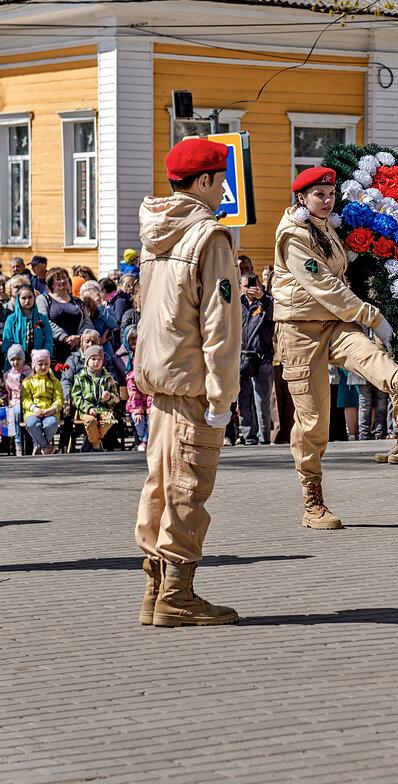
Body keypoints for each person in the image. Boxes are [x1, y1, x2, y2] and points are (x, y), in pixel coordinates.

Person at [272, 166, 398, 528]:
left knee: (370, 355)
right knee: (313, 423)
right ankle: (312, 500)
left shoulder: (327, 228)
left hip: (334, 322)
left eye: (331, 194)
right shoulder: (293, 235)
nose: (327, 200)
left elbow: (343, 274)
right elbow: (326, 287)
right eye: (319, 195)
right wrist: (373, 316)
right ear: (301, 198)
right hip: (299, 330)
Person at [134, 137, 242, 627]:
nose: (222, 191)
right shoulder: (209, 238)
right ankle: (176, 596)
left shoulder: (156, 231)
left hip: (160, 381)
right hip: (194, 384)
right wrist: (223, 394)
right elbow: (220, 325)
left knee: (160, 484)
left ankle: (155, 589)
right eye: (219, 181)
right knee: (187, 488)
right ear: (202, 182)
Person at [237, 270, 274, 446]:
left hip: (262, 358)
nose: (249, 290)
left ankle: (264, 438)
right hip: (242, 357)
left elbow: (275, 315)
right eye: (246, 286)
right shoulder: (238, 303)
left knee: (262, 401)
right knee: (243, 398)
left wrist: (263, 297)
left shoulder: (267, 301)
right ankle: (248, 437)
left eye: (253, 285)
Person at [37, 268, 92, 365]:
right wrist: (64, 337)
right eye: (58, 279)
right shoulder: (43, 299)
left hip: (76, 350)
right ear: (50, 283)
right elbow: (44, 321)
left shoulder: (78, 302)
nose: (62, 281)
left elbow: (87, 322)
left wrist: (79, 337)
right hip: (53, 350)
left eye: (64, 278)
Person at [72, 343, 119, 452]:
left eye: (99, 359)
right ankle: (97, 446)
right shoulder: (81, 377)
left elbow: (116, 398)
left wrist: (109, 398)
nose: (96, 362)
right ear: (87, 360)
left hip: (104, 409)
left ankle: (91, 441)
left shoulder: (107, 377)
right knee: (90, 421)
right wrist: (87, 408)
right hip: (87, 410)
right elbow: (76, 397)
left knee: (109, 420)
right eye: (93, 359)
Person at [22, 348, 62, 454]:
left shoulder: (54, 381)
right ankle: (46, 447)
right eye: (40, 364)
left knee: (51, 424)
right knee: (32, 424)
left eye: (46, 364)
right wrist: (33, 408)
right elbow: (25, 399)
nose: (44, 367)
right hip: (33, 412)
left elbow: (59, 398)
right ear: (34, 365)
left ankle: (39, 446)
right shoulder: (27, 382)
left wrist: (53, 409)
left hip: (49, 411)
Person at [3, 284, 53, 368]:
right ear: (18, 299)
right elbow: (7, 342)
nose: (27, 301)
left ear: (34, 297)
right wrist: (16, 358)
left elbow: (48, 340)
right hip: (16, 365)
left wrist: (41, 357)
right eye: (23, 298)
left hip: (38, 364)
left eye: (30, 297)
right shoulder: (11, 319)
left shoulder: (42, 319)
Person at [122, 325, 152, 451]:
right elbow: (132, 390)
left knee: (153, 419)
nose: (135, 342)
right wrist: (138, 409)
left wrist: (150, 407)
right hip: (136, 402)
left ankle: (145, 442)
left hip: (150, 400)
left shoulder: (149, 358)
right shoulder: (130, 361)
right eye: (132, 339)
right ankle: (145, 440)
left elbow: (152, 386)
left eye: (137, 338)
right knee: (138, 419)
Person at [4, 344, 31, 453]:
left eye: (18, 359)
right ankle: (18, 443)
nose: (15, 362)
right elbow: (8, 392)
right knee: (16, 413)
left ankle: (32, 442)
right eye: (13, 360)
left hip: (27, 401)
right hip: (14, 402)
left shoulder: (30, 373)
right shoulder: (7, 375)